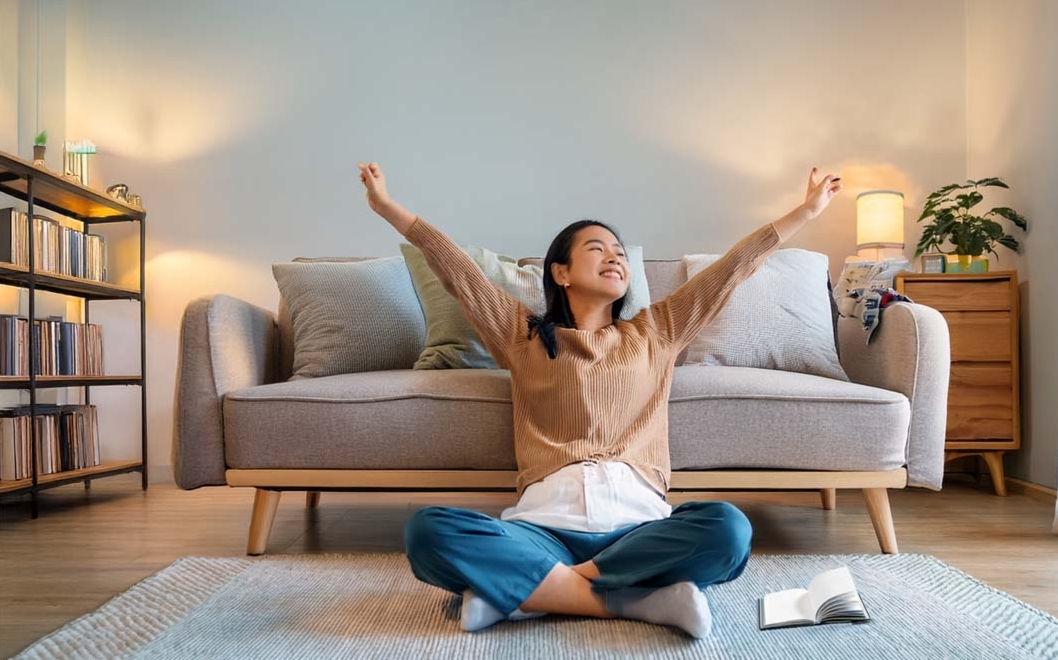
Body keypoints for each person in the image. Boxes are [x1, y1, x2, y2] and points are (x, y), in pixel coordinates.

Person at [357, 161, 842, 638]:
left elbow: (732, 270)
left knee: (728, 530)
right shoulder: (521, 335)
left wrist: (806, 212)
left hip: (639, 531)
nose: (615, 257)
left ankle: (528, 595)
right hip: (541, 530)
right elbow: (458, 272)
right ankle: (639, 600)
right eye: (597, 248)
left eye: (619, 252)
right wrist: (387, 208)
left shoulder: (658, 330)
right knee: (428, 530)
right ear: (561, 272)